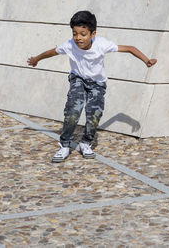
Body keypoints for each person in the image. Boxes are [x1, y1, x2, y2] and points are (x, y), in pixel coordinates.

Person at [27, 10, 157, 162]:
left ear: (92, 34)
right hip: (78, 79)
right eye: (74, 33)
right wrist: (36, 59)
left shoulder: (102, 44)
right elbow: (51, 52)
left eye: (83, 34)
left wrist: (146, 60)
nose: (78, 38)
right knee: (73, 111)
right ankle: (65, 145)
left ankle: (86, 142)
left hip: (97, 83)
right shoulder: (69, 45)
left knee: (94, 114)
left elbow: (129, 48)